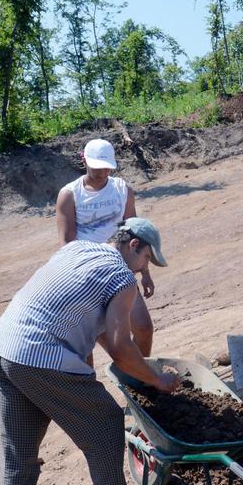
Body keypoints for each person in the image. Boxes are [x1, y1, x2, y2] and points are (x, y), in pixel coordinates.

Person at [0, 217, 180, 485]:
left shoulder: (76, 250)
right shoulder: (121, 277)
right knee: (105, 421)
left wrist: (131, 368)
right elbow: (122, 345)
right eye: (147, 260)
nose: (143, 270)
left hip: (2, 349)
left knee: (19, 450)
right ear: (134, 246)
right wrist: (156, 380)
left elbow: (96, 328)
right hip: (39, 355)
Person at [56, 138, 157, 357]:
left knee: (143, 328)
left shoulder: (122, 190)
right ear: (83, 159)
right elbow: (67, 244)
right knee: (89, 343)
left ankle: (142, 380)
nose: (103, 173)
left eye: (107, 168)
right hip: (87, 275)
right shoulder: (70, 195)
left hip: (119, 271)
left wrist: (145, 273)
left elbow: (134, 235)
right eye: (97, 167)